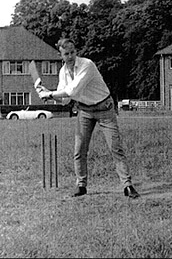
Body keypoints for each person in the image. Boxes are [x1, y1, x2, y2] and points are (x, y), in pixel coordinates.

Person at [38, 38, 140, 199]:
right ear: (61, 55)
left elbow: (72, 90)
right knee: (79, 150)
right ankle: (81, 185)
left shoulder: (87, 65)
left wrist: (49, 93)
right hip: (84, 110)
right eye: (66, 54)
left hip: (104, 108)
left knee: (115, 148)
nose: (70, 56)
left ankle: (127, 186)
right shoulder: (63, 72)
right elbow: (65, 99)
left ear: (76, 51)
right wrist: (49, 96)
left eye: (72, 52)